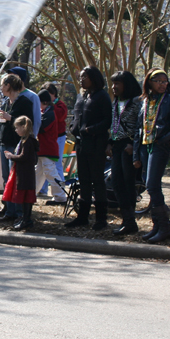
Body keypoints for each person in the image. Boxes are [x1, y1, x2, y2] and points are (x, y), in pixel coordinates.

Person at [133, 69, 170, 243]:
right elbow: (139, 128)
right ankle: (157, 227)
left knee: (153, 185)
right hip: (145, 147)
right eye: (158, 81)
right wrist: (136, 155)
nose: (162, 84)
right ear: (149, 82)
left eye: (164, 81)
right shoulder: (145, 101)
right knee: (149, 185)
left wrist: (165, 139)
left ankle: (165, 228)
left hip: (159, 147)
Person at [66, 66, 112, 230]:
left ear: (93, 78)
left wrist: (90, 130)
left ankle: (101, 219)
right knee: (83, 180)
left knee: (97, 180)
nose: (81, 79)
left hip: (96, 144)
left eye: (85, 76)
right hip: (81, 144)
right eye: (81, 76)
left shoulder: (102, 97)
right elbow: (76, 116)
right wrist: (73, 127)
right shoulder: (82, 96)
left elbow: (108, 121)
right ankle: (82, 217)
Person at [0, 73, 33, 222]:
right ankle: (9, 210)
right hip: (5, 144)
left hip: (17, 145)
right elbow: (2, 126)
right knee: (6, 178)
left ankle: (18, 212)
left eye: (2, 85)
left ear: (8, 85)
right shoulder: (5, 103)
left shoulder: (24, 102)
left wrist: (11, 118)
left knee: (16, 178)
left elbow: (28, 123)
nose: (1, 88)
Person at [107, 71, 143, 236]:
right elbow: (114, 124)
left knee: (128, 184)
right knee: (116, 183)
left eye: (118, 84)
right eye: (113, 84)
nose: (114, 87)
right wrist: (110, 143)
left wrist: (133, 145)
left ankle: (130, 222)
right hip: (117, 145)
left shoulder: (137, 102)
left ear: (126, 85)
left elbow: (141, 126)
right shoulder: (116, 102)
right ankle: (127, 219)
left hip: (129, 146)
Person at [3, 115, 39, 230]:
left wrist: (11, 156)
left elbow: (24, 157)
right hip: (24, 173)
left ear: (24, 127)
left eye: (17, 127)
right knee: (24, 198)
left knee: (26, 198)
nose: (16, 130)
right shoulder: (26, 140)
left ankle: (27, 219)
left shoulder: (28, 141)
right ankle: (25, 219)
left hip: (25, 174)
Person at [35, 89, 67, 205]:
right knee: (38, 172)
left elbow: (42, 127)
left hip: (48, 148)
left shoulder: (49, 114)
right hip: (43, 149)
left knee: (50, 172)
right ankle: (31, 194)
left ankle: (60, 196)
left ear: (43, 102)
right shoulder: (46, 112)